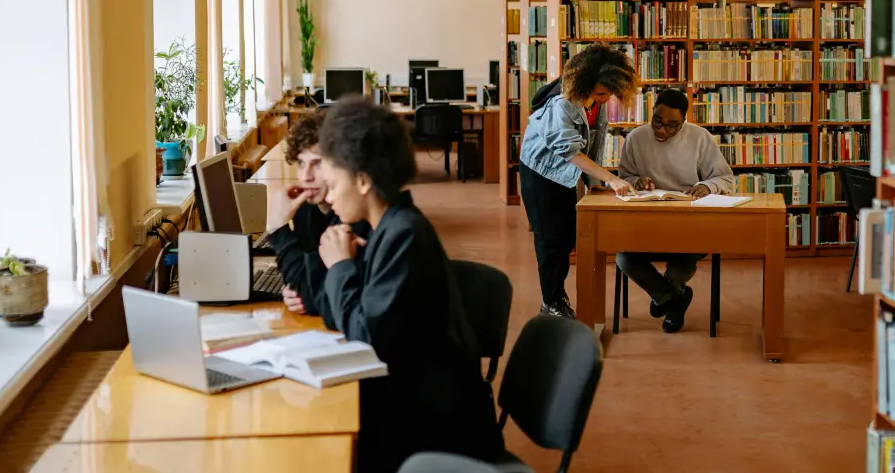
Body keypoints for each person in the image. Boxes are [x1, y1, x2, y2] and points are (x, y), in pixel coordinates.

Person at [315, 98, 503, 473]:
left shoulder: (405, 236)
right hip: (413, 399)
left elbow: (365, 341)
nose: (329, 195)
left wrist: (340, 269)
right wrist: (343, 266)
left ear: (364, 180)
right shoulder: (385, 227)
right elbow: (339, 315)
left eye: (333, 184)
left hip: (433, 424)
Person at [519, 44, 638, 317]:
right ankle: (551, 302)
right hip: (540, 173)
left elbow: (594, 144)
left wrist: (592, 180)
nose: (606, 98)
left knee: (568, 236)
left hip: (568, 173)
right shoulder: (560, 104)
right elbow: (569, 150)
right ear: (583, 84)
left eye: (609, 93)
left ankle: (556, 297)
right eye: (600, 93)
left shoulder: (597, 100)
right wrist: (609, 178)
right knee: (550, 239)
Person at [614, 89, 735, 332]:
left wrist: (706, 186)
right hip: (648, 221)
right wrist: (635, 180)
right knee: (624, 258)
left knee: (680, 265)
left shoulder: (700, 138)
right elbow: (624, 176)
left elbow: (726, 179)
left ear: (683, 122)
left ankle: (665, 296)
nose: (662, 130)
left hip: (691, 223)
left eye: (672, 126)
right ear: (652, 111)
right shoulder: (636, 138)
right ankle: (674, 299)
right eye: (657, 121)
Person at [266, 111, 368, 330]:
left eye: (317, 164)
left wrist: (278, 228)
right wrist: (291, 288)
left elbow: (321, 293)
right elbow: (308, 280)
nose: (306, 177)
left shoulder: (354, 217)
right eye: (302, 164)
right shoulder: (307, 209)